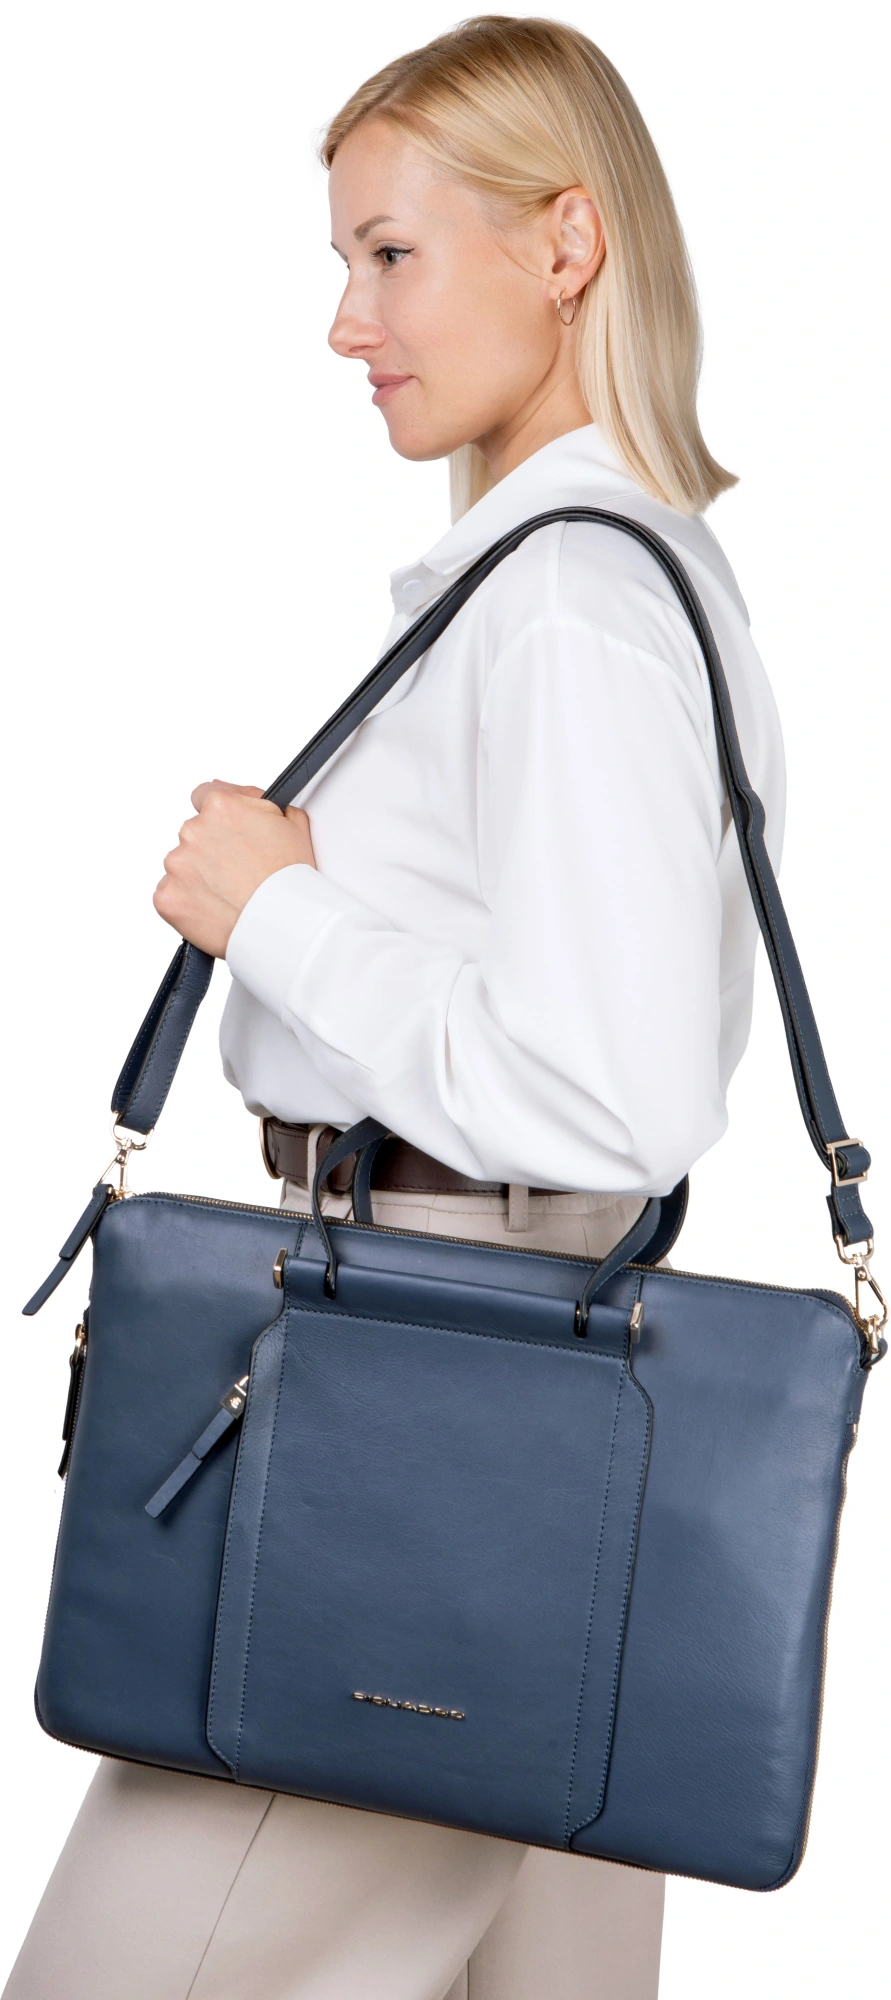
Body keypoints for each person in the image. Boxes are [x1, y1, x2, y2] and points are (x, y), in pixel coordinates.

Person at [5, 16, 785, 1999]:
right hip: (531, 1367)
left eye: (389, 253)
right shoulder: (611, 581)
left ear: (565, 244)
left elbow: (608, 1094)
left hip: (429, 1377)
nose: (347, 324)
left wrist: (274, 910)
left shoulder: (569, 608)